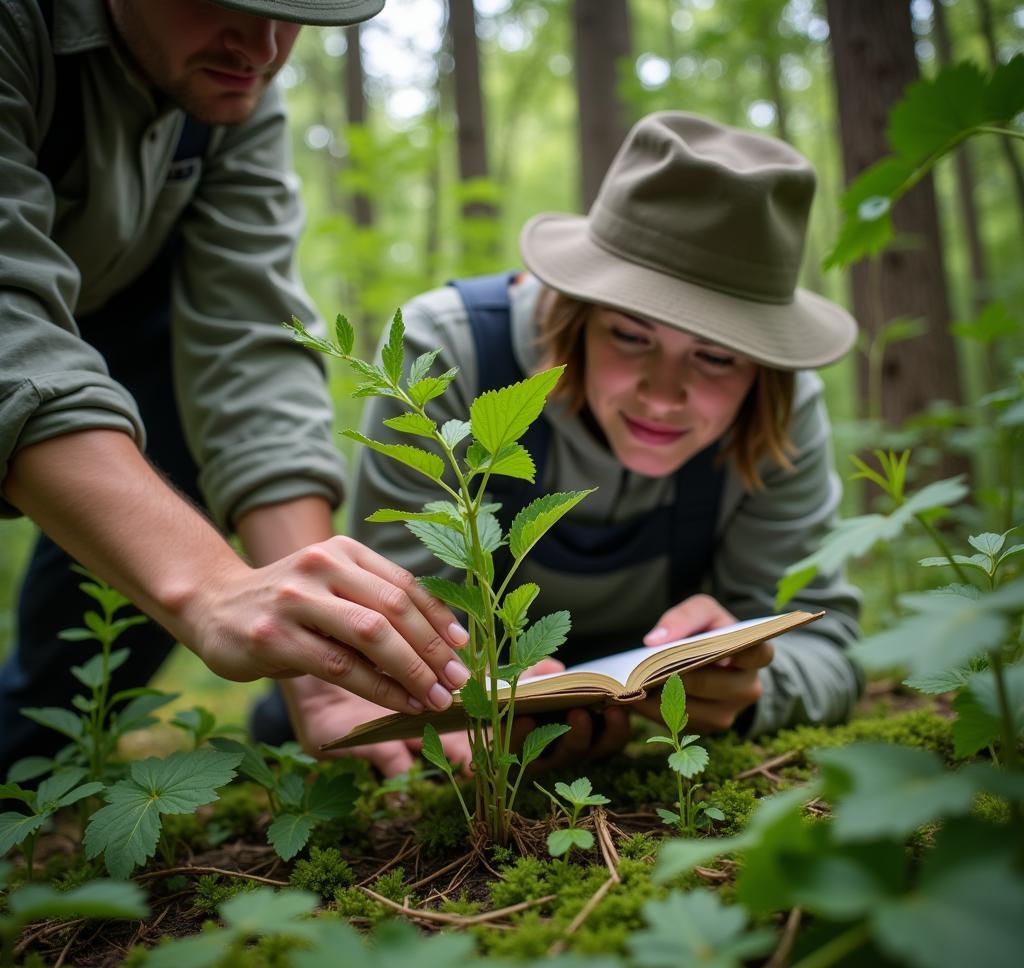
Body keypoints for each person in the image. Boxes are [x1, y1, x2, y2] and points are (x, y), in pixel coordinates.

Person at [0, 0, 474, 783]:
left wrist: (320, 659)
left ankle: (25, 793)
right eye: (229, 1)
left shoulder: (226, 82)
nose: (263, 46)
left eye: (290, 14)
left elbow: (249, 343)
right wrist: (212, 587)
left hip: (108, 343)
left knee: (165, 497)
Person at [336, 111, 863, 758]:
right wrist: (462, 704)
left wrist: (752, 687)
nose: (663, 394)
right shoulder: (448, 356)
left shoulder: (780, 411)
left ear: (763, 367)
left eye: (717, 357)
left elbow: (829, 649)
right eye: (631, 335)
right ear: (578, 312)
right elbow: (386, 624)